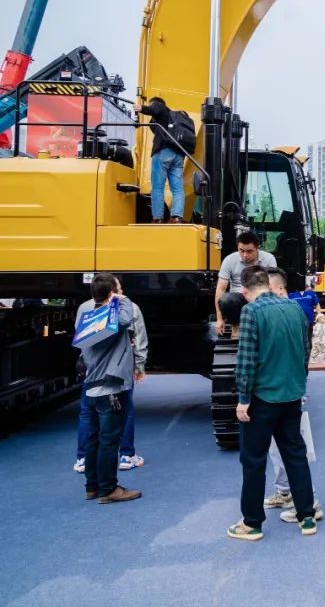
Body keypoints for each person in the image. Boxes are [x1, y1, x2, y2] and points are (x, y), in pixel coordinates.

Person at [228, 265, 317, 541]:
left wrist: (243, 399)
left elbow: (246, 360)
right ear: (268, 284)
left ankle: (252, 522)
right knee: (295, 455)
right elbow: (305, 350)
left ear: (245, 290)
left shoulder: (251, 312)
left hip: (262, 398)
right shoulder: (294, 308)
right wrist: (299, 381)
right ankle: (307, 516)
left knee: (253, 461)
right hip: (292, 394)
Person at [262, 270, 324, 524]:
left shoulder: (286, 313)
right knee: (281, 448)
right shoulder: (291, 312)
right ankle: (287, 491)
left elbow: (300, 353)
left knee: (290, 448)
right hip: (288, 388)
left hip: (283, 391)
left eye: (265, 289)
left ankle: (308, 501)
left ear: (278, 289)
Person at [76, 273, 142, 504]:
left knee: (93, 439)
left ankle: (92, 486)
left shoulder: (86, 314)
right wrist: (121, 299)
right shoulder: (112, 317)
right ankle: (108, 489)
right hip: (110, 387)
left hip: (91, 385)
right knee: (109, 441)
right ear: (112, 293)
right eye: (119, 289)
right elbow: (126, 319)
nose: (123, 293)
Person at [215, 232, 277, 336]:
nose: (245, 255)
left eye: (249, 251)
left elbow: (274, 284)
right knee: (226, 299)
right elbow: (220, 289)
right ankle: (237, 327)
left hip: (261, 297)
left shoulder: (269, 259)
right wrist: (219, 319)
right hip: (239, 298)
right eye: (241, 250)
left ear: (257, 248)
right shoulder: (229, 260)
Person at [141, 96, 188, 224]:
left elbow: (154, 109)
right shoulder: (172, 119)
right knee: (177, 189)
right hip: (178, 154)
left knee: (157, 187)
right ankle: (176, 216)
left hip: (163, 152)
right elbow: (154, 128)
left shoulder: (159, 106)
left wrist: (141, 108)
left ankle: (157, 217)